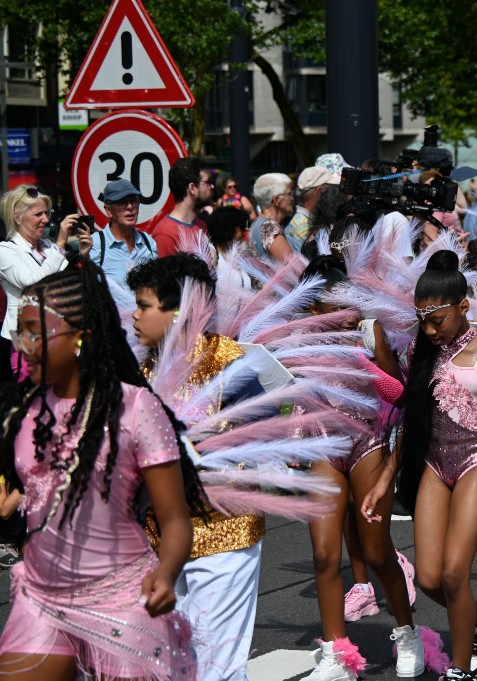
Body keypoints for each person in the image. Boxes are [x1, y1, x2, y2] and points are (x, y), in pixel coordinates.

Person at [0, 260, 206, 679]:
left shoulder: (135, 408)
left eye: (36, 332)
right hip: (40, 597)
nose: (23, 344)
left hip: (122, 598)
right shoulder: (23, 411)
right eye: (20, 332)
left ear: (81, 339)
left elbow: (175, 520)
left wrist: (166, 574)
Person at [362, 250, 477, 681]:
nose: (431, 330)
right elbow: (413, 423)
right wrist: (384, 480)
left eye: (438, 320)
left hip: (476, 461)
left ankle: (460, 665)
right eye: (424, 321)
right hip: (433, 464)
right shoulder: (422, 349)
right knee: (432, 580)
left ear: (463, 306)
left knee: (455, 573)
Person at [127, 254, 265, 680]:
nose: (134, 315)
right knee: (176, 662)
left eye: (145, 305)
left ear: (180, 311)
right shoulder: (143, 368)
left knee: (215, 667)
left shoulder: (229, 363)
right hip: (162, 538)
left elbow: (264, 441)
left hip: (224, 531)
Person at [297, 256, 427, 681]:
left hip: (365, 444)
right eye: (326, 306)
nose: (338, 313)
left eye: (343, 305)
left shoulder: (367, 334)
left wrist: (363, 359)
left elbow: (397, 391)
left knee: (375, 551)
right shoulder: (296, 341)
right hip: (323, 447)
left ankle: (407, 633)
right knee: (322, 554)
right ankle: (338, 654)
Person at [0, 185, 79, 366]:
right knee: (30, 392)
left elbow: (69, 284)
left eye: (46, 213)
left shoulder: (49, 248)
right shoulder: (5, 250)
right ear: (17, 217)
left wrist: (84, 253)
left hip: (57, 336)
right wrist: (60, 243)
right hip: (23, 340)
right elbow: (33, 283)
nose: (45, 220)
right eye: (38, 215)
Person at [82, 179, 157, 289]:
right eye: (122, 202)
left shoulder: (148, 242)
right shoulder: (95, 244)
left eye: (134, 201)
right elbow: (84, 285)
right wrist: (83, 257)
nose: (130, 207)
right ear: (108, 210)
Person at [148, 157, 214, 257]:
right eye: (207, 183)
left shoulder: (201, 226)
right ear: (192, 188)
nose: (212, 187)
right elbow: (165, 272)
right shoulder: (165, 234)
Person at [286, 166, 340, 252]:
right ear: (319, 190)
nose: (333, 192)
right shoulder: (303, 227)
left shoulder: (301, 221)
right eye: (329, 188)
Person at [249, 172, 296, 262]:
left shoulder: (258, 224)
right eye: (289, 194)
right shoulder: (269, 228)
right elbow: (293, 269)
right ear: (276, 200)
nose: (292, 198)